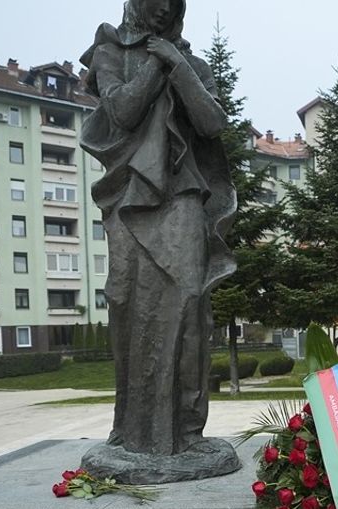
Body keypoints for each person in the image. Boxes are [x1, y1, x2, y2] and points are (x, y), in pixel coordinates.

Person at [78, 0, 240, 483]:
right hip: (130, 197)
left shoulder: (192, 62)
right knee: (129, 303)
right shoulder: (109, 51)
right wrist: (155, 60)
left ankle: (187, 431)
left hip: (182, 195)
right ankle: (134, 433)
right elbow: (123, 111)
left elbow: (212, 123)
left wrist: (179, 63)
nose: (163, 6)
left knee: (190, 303)